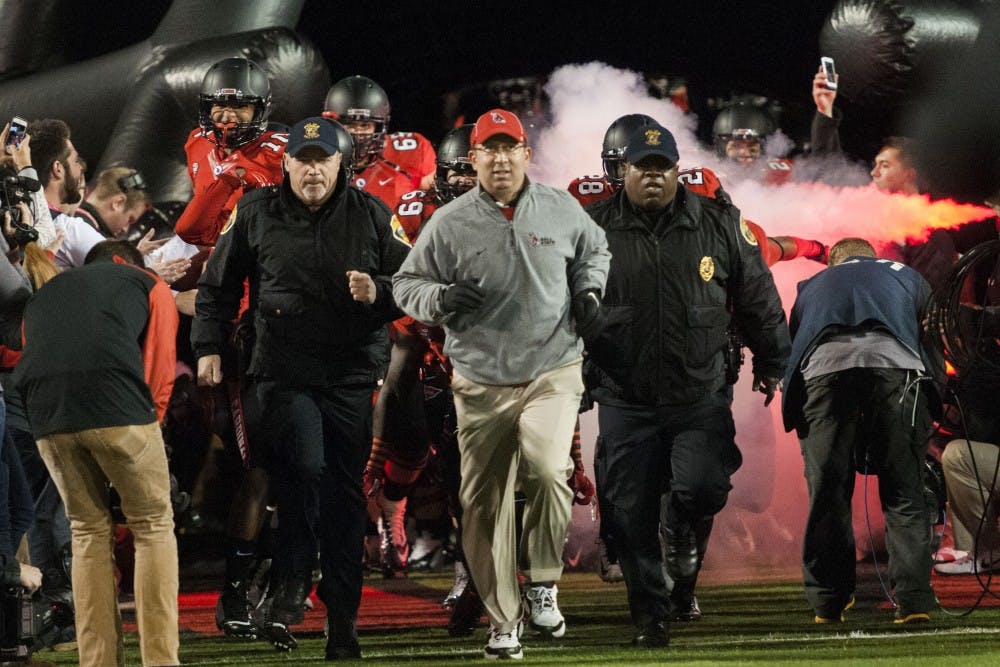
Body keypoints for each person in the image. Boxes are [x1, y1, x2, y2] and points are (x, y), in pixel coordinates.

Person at [393, 108, 610, 660]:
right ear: (474, 159)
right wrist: (439, 301)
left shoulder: (561, 207)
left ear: (525, 153)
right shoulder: (449, 221)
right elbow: (406, 283)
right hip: (479, 378)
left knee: (545, 468)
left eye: (508, 147)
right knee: (483, 503)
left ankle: (541, 582)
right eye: (488, 149)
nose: (499, 157)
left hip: (553, 367)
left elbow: (595, 251)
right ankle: (503, 622)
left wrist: (588, 292)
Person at [192, 116, 409, 660]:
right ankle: (291, 576)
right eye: (303, 159)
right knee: (304, 465)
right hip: (283, 373)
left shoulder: (374, 215)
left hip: (351, 375)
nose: (313, 170)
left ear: (343, 165)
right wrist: (209, 348)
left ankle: (343, 622)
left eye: (323, 159)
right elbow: (217, 286)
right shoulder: (254, 211)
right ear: (286, 162)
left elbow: (412, 286)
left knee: (343, 496)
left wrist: (379, 291)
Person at [583, 122, 790, 648]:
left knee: (702, 489)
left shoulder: (720, 223)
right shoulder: (588, 226)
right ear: (620, 172)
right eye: (641, 167)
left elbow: (758, 296)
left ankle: (680, 536)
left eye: (662, 167)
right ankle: (650, 614)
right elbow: (560, 305)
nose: (653, 177)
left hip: (700, 392)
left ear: (677, 170)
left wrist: (773, 359)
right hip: (624, 395)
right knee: (627, 514)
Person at [14, 239, 180, 667]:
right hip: (116, 405)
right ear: (127, 262)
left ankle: (98, 661)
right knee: (152, 525)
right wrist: (151, 432)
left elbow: (30, 349)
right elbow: (159, 371)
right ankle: (160, 660)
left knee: (87, 530)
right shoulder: (148, 283)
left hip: (45, 414)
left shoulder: (47, 292)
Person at [781, 237, 942, 624]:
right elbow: (932, 334)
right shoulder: (908, 276)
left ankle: (828, 602)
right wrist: (938, 397)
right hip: (897, 370)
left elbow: (795, 346)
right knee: (904, 488)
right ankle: (915, 602)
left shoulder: (812, 286)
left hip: (825, 373)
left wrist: (799, 414)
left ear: (834, 261)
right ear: (874, 258)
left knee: (829, 492)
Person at [175, 57, 288, 247]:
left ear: (260, 110)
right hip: (221, 249)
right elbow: (202, 226)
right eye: (219, 105)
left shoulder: (282, 151)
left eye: (241, 106)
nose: (227, 116)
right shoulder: (197, 142)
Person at [322, 75, 436, 206]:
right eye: (349, 124)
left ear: (379, 127)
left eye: (364, 125)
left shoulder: (410, 150)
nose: (357, 133)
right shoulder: (314, 163)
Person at [712, 102, 794, 185]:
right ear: (722, 147)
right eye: (736, 146)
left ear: (765, 148)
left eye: (752, 148)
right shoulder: (709, 176)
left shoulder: (784, 173)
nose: (744, 152)